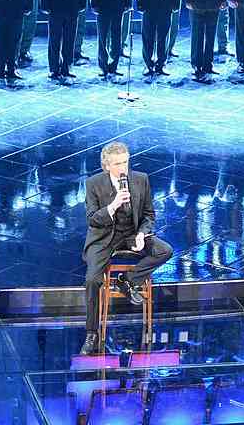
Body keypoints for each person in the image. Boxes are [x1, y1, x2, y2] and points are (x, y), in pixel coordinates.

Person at [80, 142, 173, 355]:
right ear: (107, 165)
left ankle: (128, 280)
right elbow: (93, 220)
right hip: (105, 237)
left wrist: (141, 234)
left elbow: (149, 214)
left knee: (164, 250)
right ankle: (91, 333)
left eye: (125, 162)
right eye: (117, 164)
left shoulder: (141, 179)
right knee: (92, 280)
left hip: (132, 233)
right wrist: (112, 206)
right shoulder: (93, 183)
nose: (123, 168)